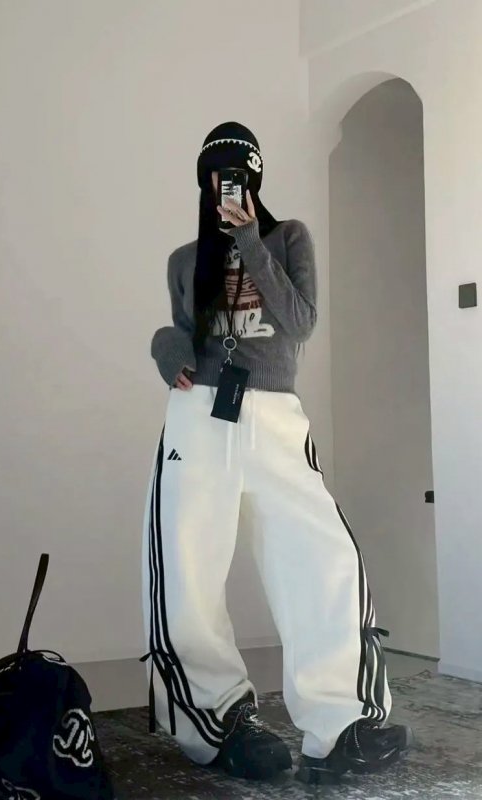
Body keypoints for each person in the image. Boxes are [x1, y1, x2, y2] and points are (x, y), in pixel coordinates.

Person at [142, 121, 412, 785]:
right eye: (216, 174)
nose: (226, 185)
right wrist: (166, 349)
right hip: (199, 416)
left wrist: (247, 241)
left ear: (255, 179)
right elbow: (182, 332)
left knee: (322, 557)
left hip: (274, 414)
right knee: (187, 569)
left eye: (238, 174)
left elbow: (300, 321)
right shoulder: (183, 259)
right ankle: (216, 724)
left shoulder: (288, 238)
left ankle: (341, 723)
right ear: (204, 182)